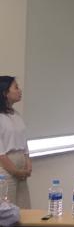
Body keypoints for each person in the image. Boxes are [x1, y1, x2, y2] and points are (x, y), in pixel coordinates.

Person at [0, 76, 31, 207]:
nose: (20, 90)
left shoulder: (16, 114)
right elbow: (1, 153)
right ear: (4, 93)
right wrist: (15, 171)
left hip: (21, 168)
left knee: (24, 209)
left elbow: (23, 142)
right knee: (7, 210)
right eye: (16, 87)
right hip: (6, 169)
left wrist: (28, 163)